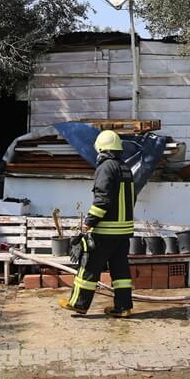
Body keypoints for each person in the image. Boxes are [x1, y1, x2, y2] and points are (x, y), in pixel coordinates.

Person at [59, 130, 135, 317]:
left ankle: (78, 304)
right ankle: (123, 307)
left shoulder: (106, 167)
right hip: (123, 233)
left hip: (105, 232)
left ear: (101, 148)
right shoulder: (125, 168)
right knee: (120, 272)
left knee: (89, 267)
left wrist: (88, 223)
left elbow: (102, 200)